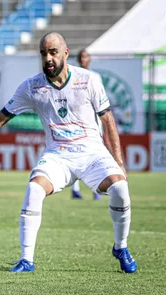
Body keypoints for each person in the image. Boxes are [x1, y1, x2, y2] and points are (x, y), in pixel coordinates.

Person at [0, 32, 137, 273]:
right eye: (43, 53)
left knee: (120, 188)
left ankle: (121, 247)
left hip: (93, 154)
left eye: (53, 52)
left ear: (65, 53)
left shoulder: (88, 80)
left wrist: (118, 161)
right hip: (58, 156)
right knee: (34, 188)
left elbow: (108, 121)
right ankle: (26, 260)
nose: (48, 58)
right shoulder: (32, 86)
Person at [71, 49, 103, 200]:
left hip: (93, 122)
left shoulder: (95, 77)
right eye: (81, 57)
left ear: (90, 59)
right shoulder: (72, 75)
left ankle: (96, 190)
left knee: (96, 157)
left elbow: (100, 100)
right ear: (78, 60)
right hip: (76, 122)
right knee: (75, 156)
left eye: (86, 57)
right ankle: (75, 190)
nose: (83, 60)